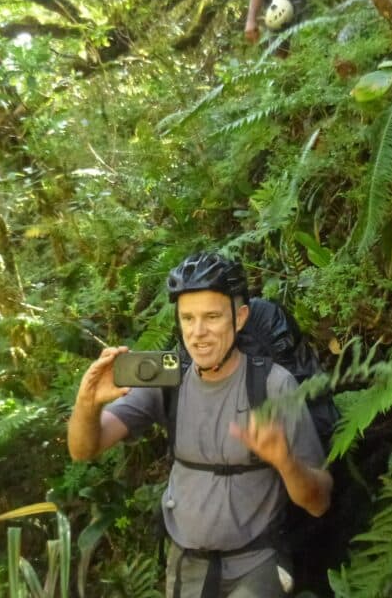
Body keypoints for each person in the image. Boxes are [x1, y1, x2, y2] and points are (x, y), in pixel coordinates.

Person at [68, 252, 333, 598]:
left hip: (257, 563)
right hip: (186, 566)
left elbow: (319, 501)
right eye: (187, 318)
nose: (198, 333)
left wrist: (285, 462)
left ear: (239, 318)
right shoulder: (168, 377)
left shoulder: (273, 384)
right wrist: (87, 403)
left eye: (211, 317)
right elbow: (83, 448)